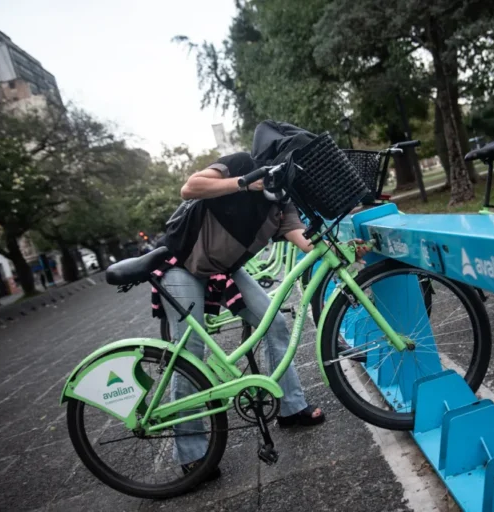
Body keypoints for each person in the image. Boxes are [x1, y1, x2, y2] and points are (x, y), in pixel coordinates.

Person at [155, 145, 367, 481]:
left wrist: (344, 250)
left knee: (275, 323)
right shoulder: (242, 164)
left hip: (222, 270)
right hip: (181, 264)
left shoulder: (282, 203)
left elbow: (305, 241)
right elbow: (190, 187)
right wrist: (245, 182)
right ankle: (192, 453)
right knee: (190, 351)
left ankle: (291, 407)